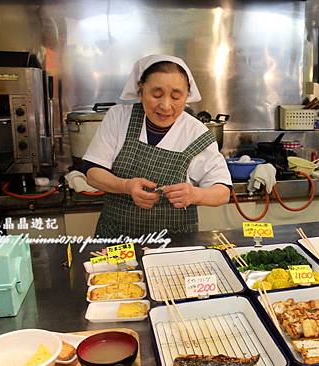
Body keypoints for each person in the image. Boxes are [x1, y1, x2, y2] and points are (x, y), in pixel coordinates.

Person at [83, 55, 231, 237]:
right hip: (116, 239)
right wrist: (126, 186)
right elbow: (92, 173)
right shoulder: (119, 117)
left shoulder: (196, 132)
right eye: (156, 95)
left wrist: (194, 195)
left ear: (187, 96)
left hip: (174, 243)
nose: (166, 106)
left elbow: (223, 192)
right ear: (141, 90)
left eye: (176, 97)